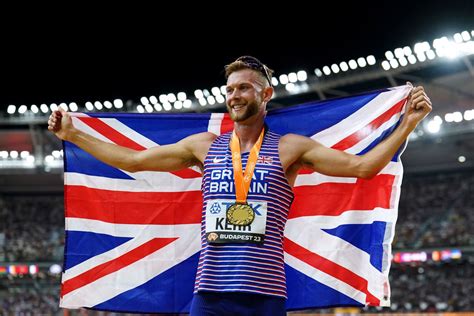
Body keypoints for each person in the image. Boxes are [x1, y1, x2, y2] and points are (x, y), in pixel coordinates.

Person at [48, 55, 432, 315]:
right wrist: (74, 135)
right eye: (230, 89)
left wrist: (408, 123)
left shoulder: (289, 149)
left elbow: (362, 167)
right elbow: (131, 161)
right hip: (209, 292)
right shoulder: (204, 147)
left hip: (264, 295)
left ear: (266, 94)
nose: (235, 95)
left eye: (245, 88)